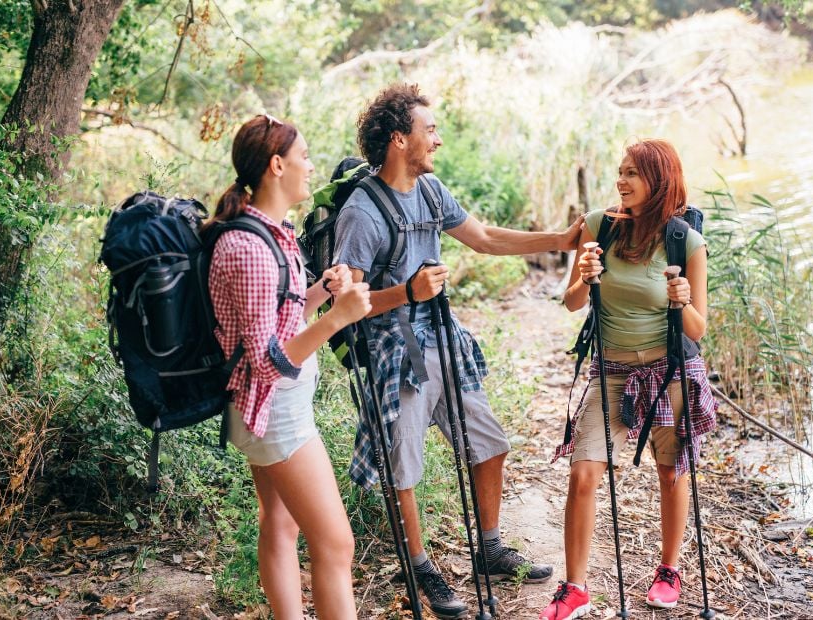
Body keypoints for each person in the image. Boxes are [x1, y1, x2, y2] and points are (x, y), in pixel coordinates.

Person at [332, 83, 584, 619]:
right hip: (393, 353)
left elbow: (485, 238)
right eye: (430, 130)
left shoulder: (430, 190)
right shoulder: (361, 213)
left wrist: (559, 240)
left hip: (444, 339)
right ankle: (419, 564)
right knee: (403, 466)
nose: (438, 140)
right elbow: (347, 306)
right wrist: (408, 292)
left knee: (489, 442)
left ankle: (488, 549)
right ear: (400, 140)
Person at [537, 139, 718, 620]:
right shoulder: (600, 226)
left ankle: (668, 570)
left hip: (670, 371)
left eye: (633, 173)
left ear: (659, 181)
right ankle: (575, 588)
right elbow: (573, 302)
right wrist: (584, 276)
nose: (621, 181)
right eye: (620, 171)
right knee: (583, 472)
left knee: (671, 470)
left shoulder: (687, 242)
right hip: (612, 368)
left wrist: (681, 301)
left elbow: (700, 328)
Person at [207, 114, 370, 620]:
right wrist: (337, 319)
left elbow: (275, 323)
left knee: (280, 524)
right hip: (274, 414)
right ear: (277, 165)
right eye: (305, 158)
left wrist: (322, 292)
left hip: (269, 409)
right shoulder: (249, 246)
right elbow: (265, 363)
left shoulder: (269, 233)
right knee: (337, 545)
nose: (311, 166)